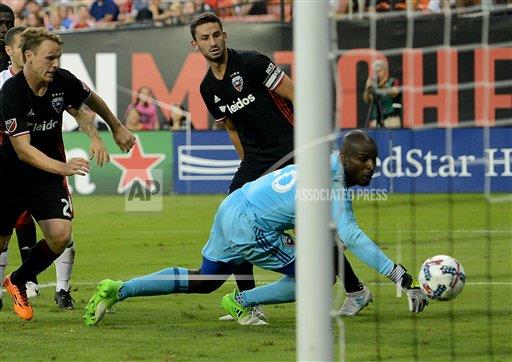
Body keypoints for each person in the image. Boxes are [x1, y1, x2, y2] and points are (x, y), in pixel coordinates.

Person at [83, 130, 429, 327]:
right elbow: (350, 234)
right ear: (345, 159)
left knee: (204, 280)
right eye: (363, 160)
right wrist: (399, 276)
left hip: (234, 205)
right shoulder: (333, 184)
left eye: (373, 159)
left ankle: (118, 289)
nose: (370, 167)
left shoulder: (323, 161)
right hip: (251, 224)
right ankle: (241, 301)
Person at [192, 12, 369, 320]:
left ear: (225, 36)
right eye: (205, 38)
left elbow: (296, 94)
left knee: (313, 227)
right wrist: (245, 163)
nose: (213, 42)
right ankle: (249, 303)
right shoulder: (207, 88)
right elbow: (232, 128)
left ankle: (356, 290)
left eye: (216, 35)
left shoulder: (252, 63)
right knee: (237, 221)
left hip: (292, 152)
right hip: (256, 161)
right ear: (195, 44)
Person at [0, 27, 136, 321]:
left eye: (58, 57)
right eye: (50, 58)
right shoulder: (12, 92)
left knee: (60, 235)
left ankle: (18, 279)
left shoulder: (62, 81)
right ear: (29, 57)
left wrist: (114, 128)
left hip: (45, 176)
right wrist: (64, 167)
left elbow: (90, 101)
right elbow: (23, 149)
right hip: (9, 176)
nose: (55, 64)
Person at [363, 59, 402, 128]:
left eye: (380, 70)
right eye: (375, 71)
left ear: (386, 71)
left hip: (391, 119)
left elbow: (394, 93)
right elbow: (367, 100)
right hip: (375, 119)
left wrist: (382, 86)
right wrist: (367, 88)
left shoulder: (392, 81)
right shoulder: (374, 85)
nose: (377, 73)